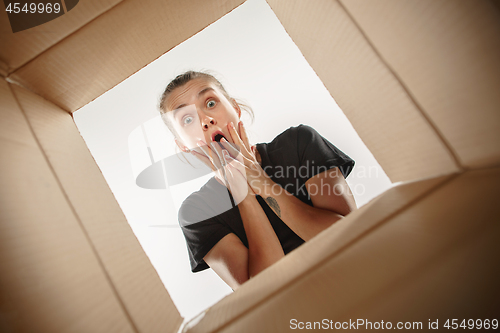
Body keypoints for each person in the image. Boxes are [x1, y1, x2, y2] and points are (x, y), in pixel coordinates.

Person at [159, 71, 357, 290]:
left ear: (235, 108)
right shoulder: (196, 212)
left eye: (211, 102)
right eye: (188, 119)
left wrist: (258, 178)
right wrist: (242, 193)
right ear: (184, 147)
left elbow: (351, 236)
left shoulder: (299, 142)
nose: (206, 120)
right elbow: (264, 291)